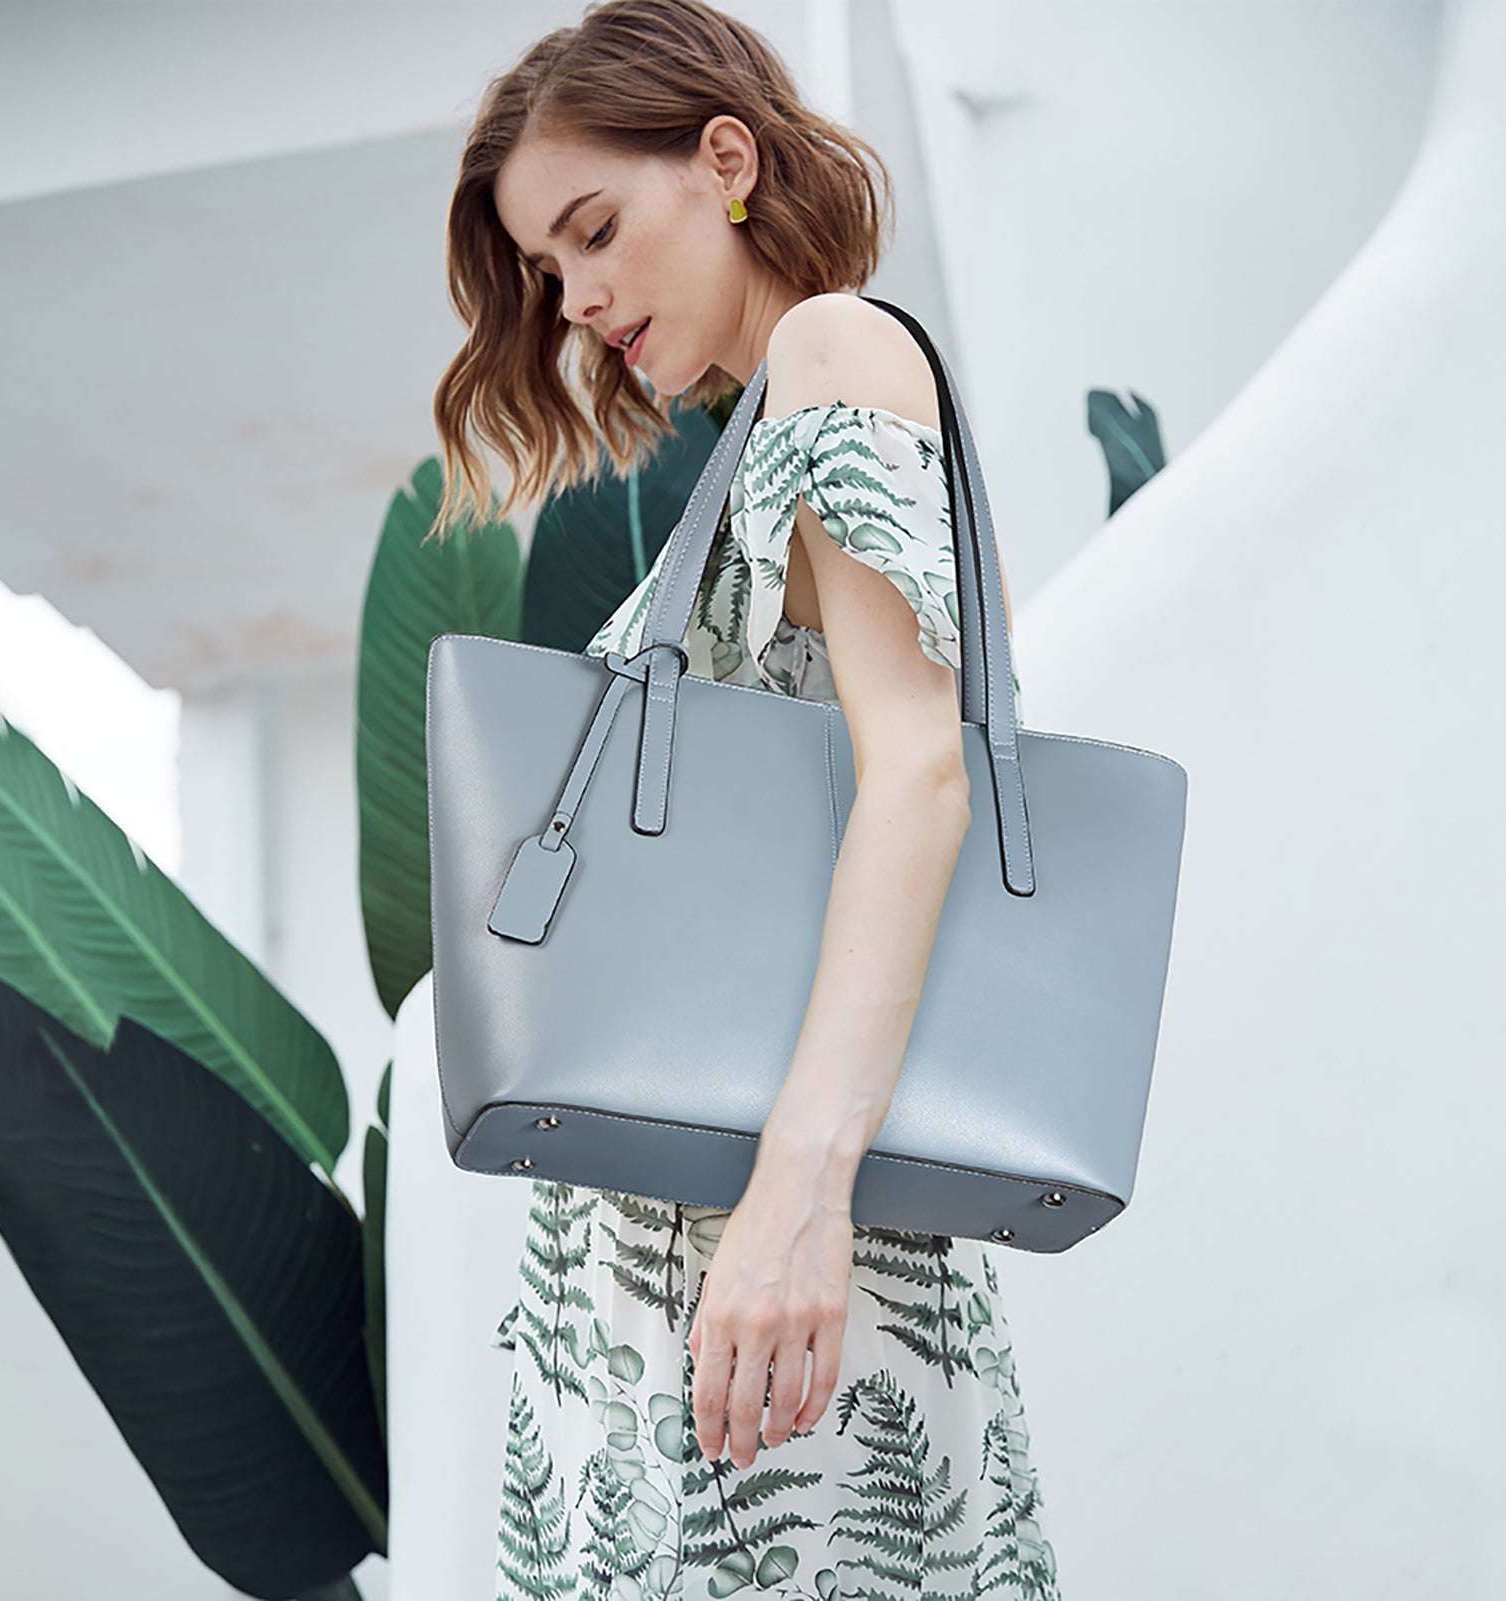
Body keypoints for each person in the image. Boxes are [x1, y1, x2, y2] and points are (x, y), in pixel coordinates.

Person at [430, 3, 1059, 1596]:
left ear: (725, 159)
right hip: (697, 1276)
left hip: (758, 1269)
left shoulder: (833, 349)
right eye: (546, 272)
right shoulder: (762, 423)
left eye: (591, 232)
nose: (576, 301)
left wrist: (795, 1199)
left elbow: (920, 773)